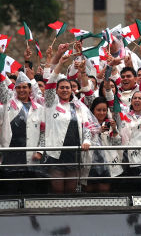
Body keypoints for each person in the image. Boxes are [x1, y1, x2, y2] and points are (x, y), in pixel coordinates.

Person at [28, 49, 94, 194]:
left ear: (72, 90)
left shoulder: (78, 106)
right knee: (57, 190)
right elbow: (50, 83)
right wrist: (60, 65)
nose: (65, 90)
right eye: (62, 88)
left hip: (74, 153)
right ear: (56, 91)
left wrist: (87, 141)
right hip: (55, 154)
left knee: (71, 190)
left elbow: (87, 126)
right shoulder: (51, 104)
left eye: (67, 88)